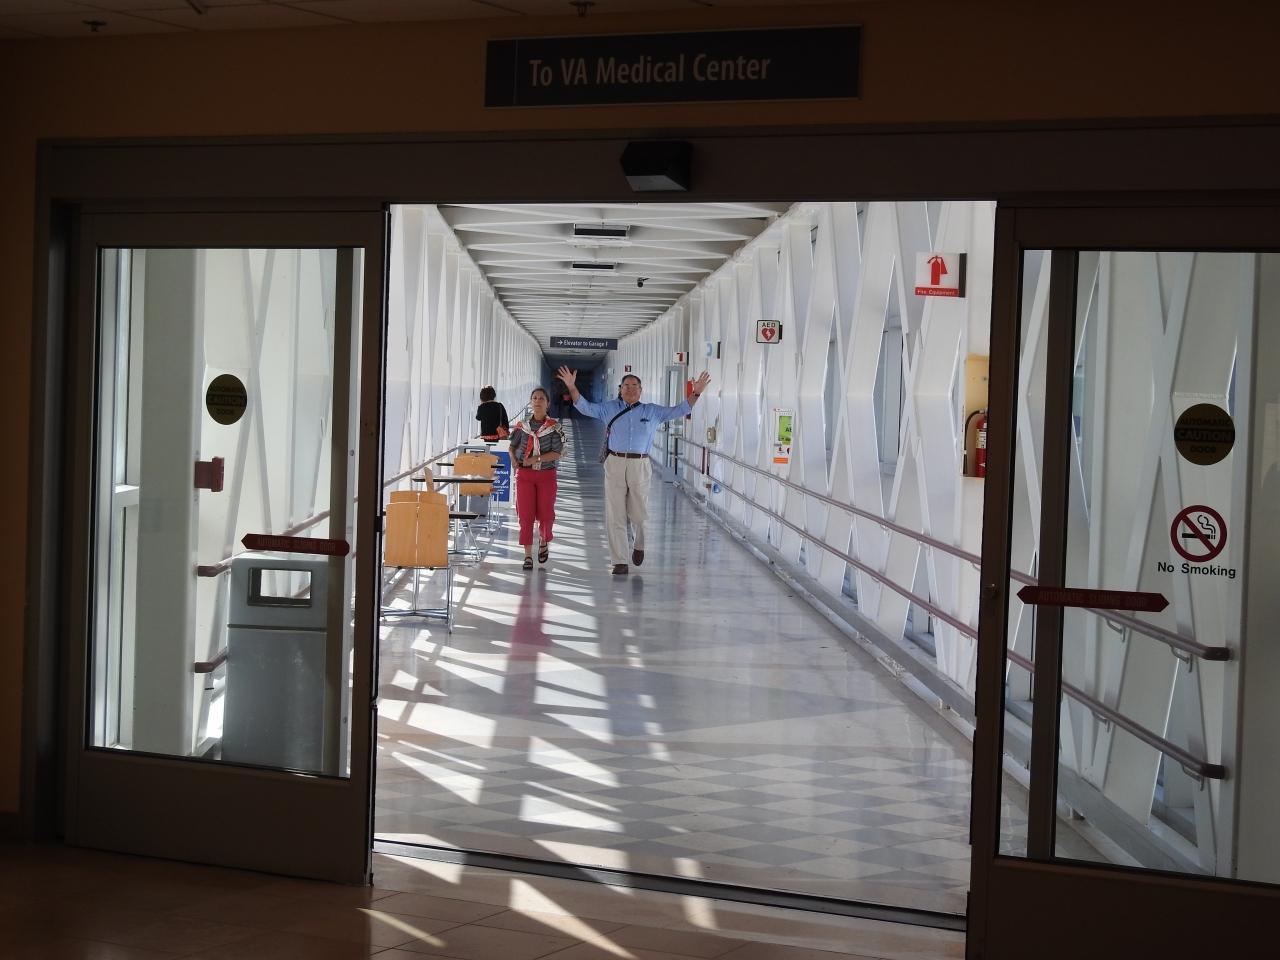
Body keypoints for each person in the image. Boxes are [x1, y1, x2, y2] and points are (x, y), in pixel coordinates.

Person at [557, 365, 711, 575]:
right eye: (626, 386)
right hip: (615, 462)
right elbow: (584, 407)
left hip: (640, 464)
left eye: (634, 386)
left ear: (641, 390)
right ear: (620, 389)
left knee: (639, 513)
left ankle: (639, 544)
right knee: (615, 513)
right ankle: (619, 560)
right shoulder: (609, 408)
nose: (630, 389)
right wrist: (571, 386)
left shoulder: (652, 411)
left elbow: (680, 409)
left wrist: (696, 393)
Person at [508, 387, 566, 571]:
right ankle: (527, 555)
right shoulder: (521, 426)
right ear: (530, 402)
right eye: (534, 398)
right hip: (524, 475)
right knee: (525, 515)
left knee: (546, 514)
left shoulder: (554, 427)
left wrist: (536, 459)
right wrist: (513, 459)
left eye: (541, 398)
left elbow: (557, 453)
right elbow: (512, 446)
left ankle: (543, 539)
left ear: (548, 403)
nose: (538, 401)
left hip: (546, 475)